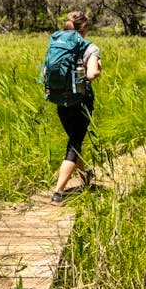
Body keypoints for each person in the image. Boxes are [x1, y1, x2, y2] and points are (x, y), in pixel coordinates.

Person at [51, 10, 101, 206]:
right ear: (85, 28)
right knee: (74, 145)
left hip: (60, 101)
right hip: (81, 102)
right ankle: (58, 192)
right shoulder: (90, 47)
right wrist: (98, 66)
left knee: (75, 141)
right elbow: (91, 74)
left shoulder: (57, 43)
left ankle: (84, 175)